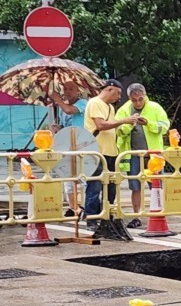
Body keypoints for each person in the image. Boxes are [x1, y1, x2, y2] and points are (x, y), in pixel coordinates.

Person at [84, 79, 136, 231]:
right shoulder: (95, 103)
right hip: (97, 152)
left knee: (111, 187)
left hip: (111, 151)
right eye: (118, 93)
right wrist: (123, 121)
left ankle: (107, 215)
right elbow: (100, 125)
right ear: (109, 89)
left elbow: (111, 127)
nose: (119, 97)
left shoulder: (110, 108)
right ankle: (92, 218)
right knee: (94, 186)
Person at [115, 83, 170, 228]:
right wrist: (130, 123)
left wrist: (148, 124)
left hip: (153, 154)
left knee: (156, 185)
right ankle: (136, 215)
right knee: (135, 186)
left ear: (145, 96)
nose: (138, 102)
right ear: (129, 98)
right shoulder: (124, 110)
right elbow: (118, 131)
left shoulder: (155, 107)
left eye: (140, 99)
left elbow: (165, 127)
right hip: (133, 154)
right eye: (134, 100)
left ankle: (158, 212)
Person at [49, 82, 88, 216]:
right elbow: (65, 124)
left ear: (78, 91)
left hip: (82, 144)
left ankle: (86, 205)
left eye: (71, 89)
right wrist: (58, 129)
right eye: (65, 89)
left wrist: (58, 99)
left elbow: (69, 110)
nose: (68, 91)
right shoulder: (62, 107)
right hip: (68, 145)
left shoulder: (83, 103)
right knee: (68, 178)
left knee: (83, 176)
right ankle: (74, 207)